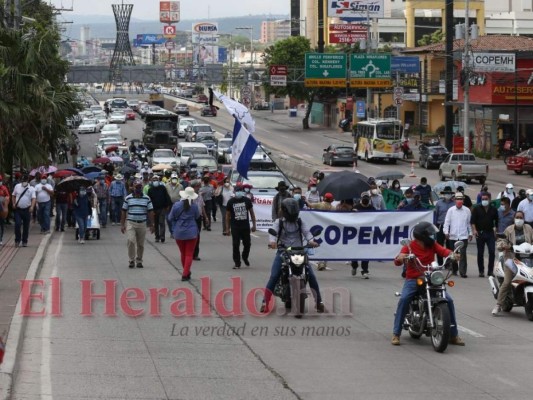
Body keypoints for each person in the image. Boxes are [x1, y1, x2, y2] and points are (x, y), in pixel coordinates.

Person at [391, 222, 465, 346]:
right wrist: (401, 257)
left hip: (431, 277)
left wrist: (453, 255)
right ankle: (396, 333)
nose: (432, 236)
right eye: (430, 234)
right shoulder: (410, 246)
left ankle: (453, 335)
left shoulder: (432, 245)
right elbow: (398, 260)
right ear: (422, 236)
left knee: (449, 300)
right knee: (404, 299)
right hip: (414, 279)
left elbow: (443, 251)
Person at [261, 198, 325, 313]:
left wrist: (312, 241)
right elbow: (273, 234)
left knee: (311, 275)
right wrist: (272, 242)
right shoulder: (279, 222)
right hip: (283, 252)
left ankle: (319, 302)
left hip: (299, 251)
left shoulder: (300, 222)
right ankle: (265, 302)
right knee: (274, 275)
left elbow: (307, 233)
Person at [492, 211, 533, 315]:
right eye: (517, 217)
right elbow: (501, 242)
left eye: (521, 217)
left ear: (524, 218)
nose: (519, 219)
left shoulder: (528, 228)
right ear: (514, 218)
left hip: (527, 259)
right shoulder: (509, 230)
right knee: (506, 282)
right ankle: (498, 305)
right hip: (511, 259)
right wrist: (503, 246)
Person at [168, 187, 200, 281]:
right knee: (189, 254)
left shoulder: (176, 205)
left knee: (183, 253)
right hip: (192, 232)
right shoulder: (194, 206)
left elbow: (170, 218)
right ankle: (185, 273)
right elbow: (197, 216)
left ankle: (186, 271)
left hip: (179, 232)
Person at [121, 180, 155, 269]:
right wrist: (122, 224)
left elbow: (150, 211)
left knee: (140, 244)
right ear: (133, 187)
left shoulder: (146, 198)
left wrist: (152, 224)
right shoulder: (128, 198)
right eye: (136, 187)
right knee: (131, 241)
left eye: (140, 187)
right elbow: (124, 211)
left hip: (142, 223)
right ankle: (131, 260)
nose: (138, 189)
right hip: (131, 223)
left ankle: (139, 260)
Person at [225, 183, 257, 269]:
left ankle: (244, 257)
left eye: (240, 191)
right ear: (234, 192)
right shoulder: (231, 202)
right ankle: (237, 262)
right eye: (237, 191)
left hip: (245, 227)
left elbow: (252, 213)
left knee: (247, 244)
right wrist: (227, 229)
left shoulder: (247, 200)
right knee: (236, 244)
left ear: (242, 192)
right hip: (235, 227)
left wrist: (254, 225)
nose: (238, 192)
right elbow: (227, 216)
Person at [443, 192, 473, 277]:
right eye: (458, 199)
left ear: (463, 200)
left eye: (461, 199)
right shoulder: (451, 210)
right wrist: (446, 232)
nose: (459, 201)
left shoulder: (467, 210)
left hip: (463, 236)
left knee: (463, 254)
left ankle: (463, 272)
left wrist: (470, 233)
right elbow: (447, 223)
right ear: (455, 200)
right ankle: (454, 269)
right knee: (453, 255)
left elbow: (468, 223)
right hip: (453, 236)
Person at [471, 192, 499, 277]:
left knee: (492, 251)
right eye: (483, 199)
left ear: (489, 199)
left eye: (486, 199)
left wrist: (496, 230)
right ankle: (481, 271)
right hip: (480, 233)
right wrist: (474, 230)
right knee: (480, 252)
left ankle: (490, 271)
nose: (484, 201)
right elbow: (472, 221)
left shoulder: (493, 209)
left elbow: (496, 221)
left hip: (490, 233)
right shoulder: (477, 208)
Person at [352, 192, 375, 278]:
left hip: (367, 234)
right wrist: (352, 212)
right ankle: (354, 266)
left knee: (366, 252)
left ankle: (365, 270)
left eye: (367, 198)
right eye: (364, 198)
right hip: (356, 234)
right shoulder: (356, 207)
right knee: (355, 252)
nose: (365, 199)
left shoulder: (372, 208)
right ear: (361, 199)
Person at [12, 175, 36, 247]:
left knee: (26, 226)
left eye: (25, 181)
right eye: (23, 181)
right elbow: (13, 195)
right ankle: (17, 240)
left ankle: (24, 241)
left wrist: (32, 206)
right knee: (17, 224)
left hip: (27, 210)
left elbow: (33, 198)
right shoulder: (17, 186)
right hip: (18, 210)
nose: (24, 182)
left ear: (27, 181)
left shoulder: (31, 188)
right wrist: (13, 203)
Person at [433, 186, 455, 264]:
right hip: (440, 225)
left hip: (451, 227)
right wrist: (435, 226)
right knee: (439, 246)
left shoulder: (454, 204)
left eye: (449, 193)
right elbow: (436, 215)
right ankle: (440, 263)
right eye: (446, 193)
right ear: (444, 194)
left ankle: (448, 263)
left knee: (449, 246)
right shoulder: (439, 203)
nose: (448, 194)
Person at [147, 175, 172, 243]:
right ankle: (157, 237)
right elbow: (149, 200)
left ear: (159, 181)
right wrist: (150, 210)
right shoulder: (150, 189)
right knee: (155, 223)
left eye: (156, 180)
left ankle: (162, 236)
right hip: (154, 209)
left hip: (162, 208)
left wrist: (167, 205)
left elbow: (166, 197)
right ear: (152, 181)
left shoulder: (162, 188)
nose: (155, 181)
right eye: (154, 180)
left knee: (162, 222)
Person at [0, 175, 11, 246]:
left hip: (2, 208)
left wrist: (5, 199)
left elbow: (7, 196)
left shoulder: (4, 188)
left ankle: (0, 239)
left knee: (1, 224)